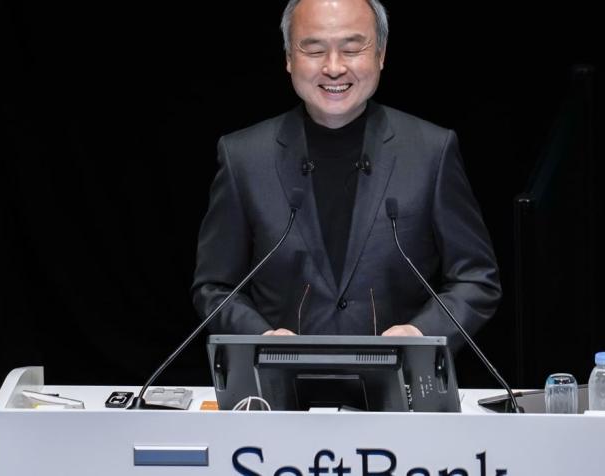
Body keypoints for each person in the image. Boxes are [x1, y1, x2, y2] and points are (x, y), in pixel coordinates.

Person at [192, 0, 500, 351]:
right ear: (289, 58)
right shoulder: (243, 157)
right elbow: (214, 287)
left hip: (399, 380)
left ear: (381, 54)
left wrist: (421, 334)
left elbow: (476, 279)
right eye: (314, 50)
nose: (334, 67)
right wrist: (261, 340)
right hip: (280, 379)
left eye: (352, 49)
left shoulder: (432, 151)